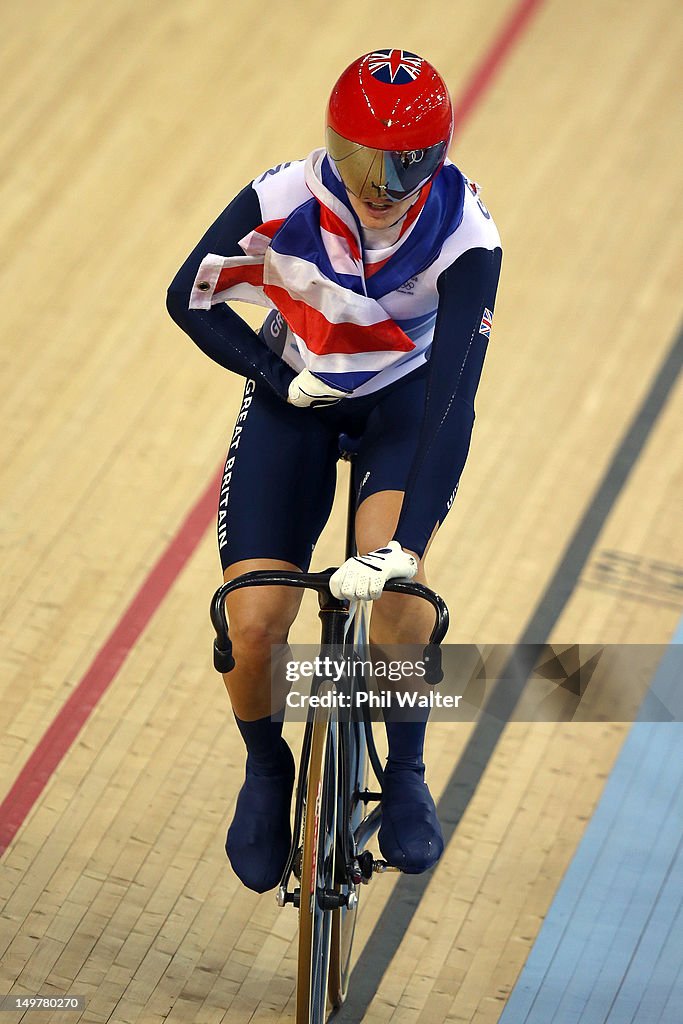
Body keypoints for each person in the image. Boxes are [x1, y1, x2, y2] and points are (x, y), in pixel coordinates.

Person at [167, 48, 502, 893]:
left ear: (427, 159)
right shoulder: (285, 195)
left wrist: (407, 544)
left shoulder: (465, 236)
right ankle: (266, 767)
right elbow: (188, 295)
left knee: (399, 592)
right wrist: (279, 378)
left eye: (384, 161)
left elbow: (451, 401)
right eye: (346, 153)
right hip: (299, 397)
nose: (362, 178)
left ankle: (407, 768)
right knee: (252, 622)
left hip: (402, 410)